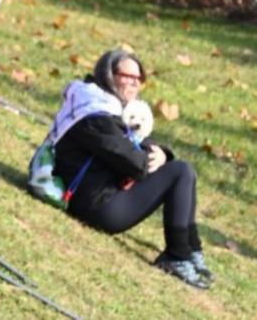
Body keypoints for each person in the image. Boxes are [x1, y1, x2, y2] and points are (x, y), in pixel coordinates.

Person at [50, 50, 211, 288]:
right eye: (129, 76)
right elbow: (135, 162)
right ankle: (177, 255)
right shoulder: (95, 115)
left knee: (182, 170)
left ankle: (190, 248)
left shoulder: (99, 104)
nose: (135, 83)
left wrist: (163, 153)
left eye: (139, 78)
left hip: (97, 198)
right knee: (181, 172)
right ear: (108, 75)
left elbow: (133, 142)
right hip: (97, 207)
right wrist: (156, 158)